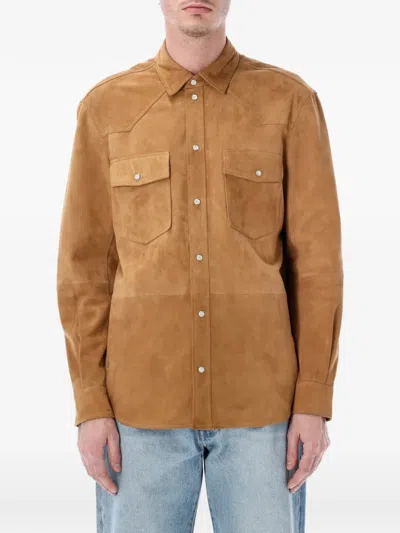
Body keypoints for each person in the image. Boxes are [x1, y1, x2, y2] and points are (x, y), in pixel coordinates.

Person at [56, 1, 343, 531]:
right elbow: (85, 270)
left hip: (263, 411)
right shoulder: (105, 109)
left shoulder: (289, 103)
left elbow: (317, 267)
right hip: (139, 413)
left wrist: (313, 398)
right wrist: (90, 403)